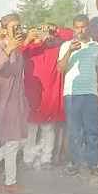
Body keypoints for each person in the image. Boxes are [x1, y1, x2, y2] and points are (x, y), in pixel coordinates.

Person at [58, 15, 98, 176]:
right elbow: (60, 68)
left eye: (83, 27)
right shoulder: (66, 45)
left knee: (91, 130)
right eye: (77, 27)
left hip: (91, 93)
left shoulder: (96, 47)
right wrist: (70, 51)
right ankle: (74, 163)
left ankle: (93, 163)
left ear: (88, 28)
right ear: (74, 28)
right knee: (74, 131)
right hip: (72, 94)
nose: (81, 30)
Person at [21, 24, 73, 169]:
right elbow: (17, 54)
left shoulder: (57, 48)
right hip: (32, 95)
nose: (44, 35)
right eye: (41, 31)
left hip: (50, 95)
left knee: (48, 129)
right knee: (31, 129)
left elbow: (70, 34)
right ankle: (28, 158)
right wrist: (29, 38)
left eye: (47, 32)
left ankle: (46, 159)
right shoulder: (30, 49)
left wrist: (55, 29)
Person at [0, 16, 27, 189]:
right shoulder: (0, 45)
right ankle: (10, 182)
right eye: (13, 26)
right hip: (4, 99)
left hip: (17, 98)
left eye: (18, 26)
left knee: (20, 140)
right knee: (13, 141)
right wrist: (9, 49)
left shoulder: (19, 47)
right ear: (5, 29)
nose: (17, 29)